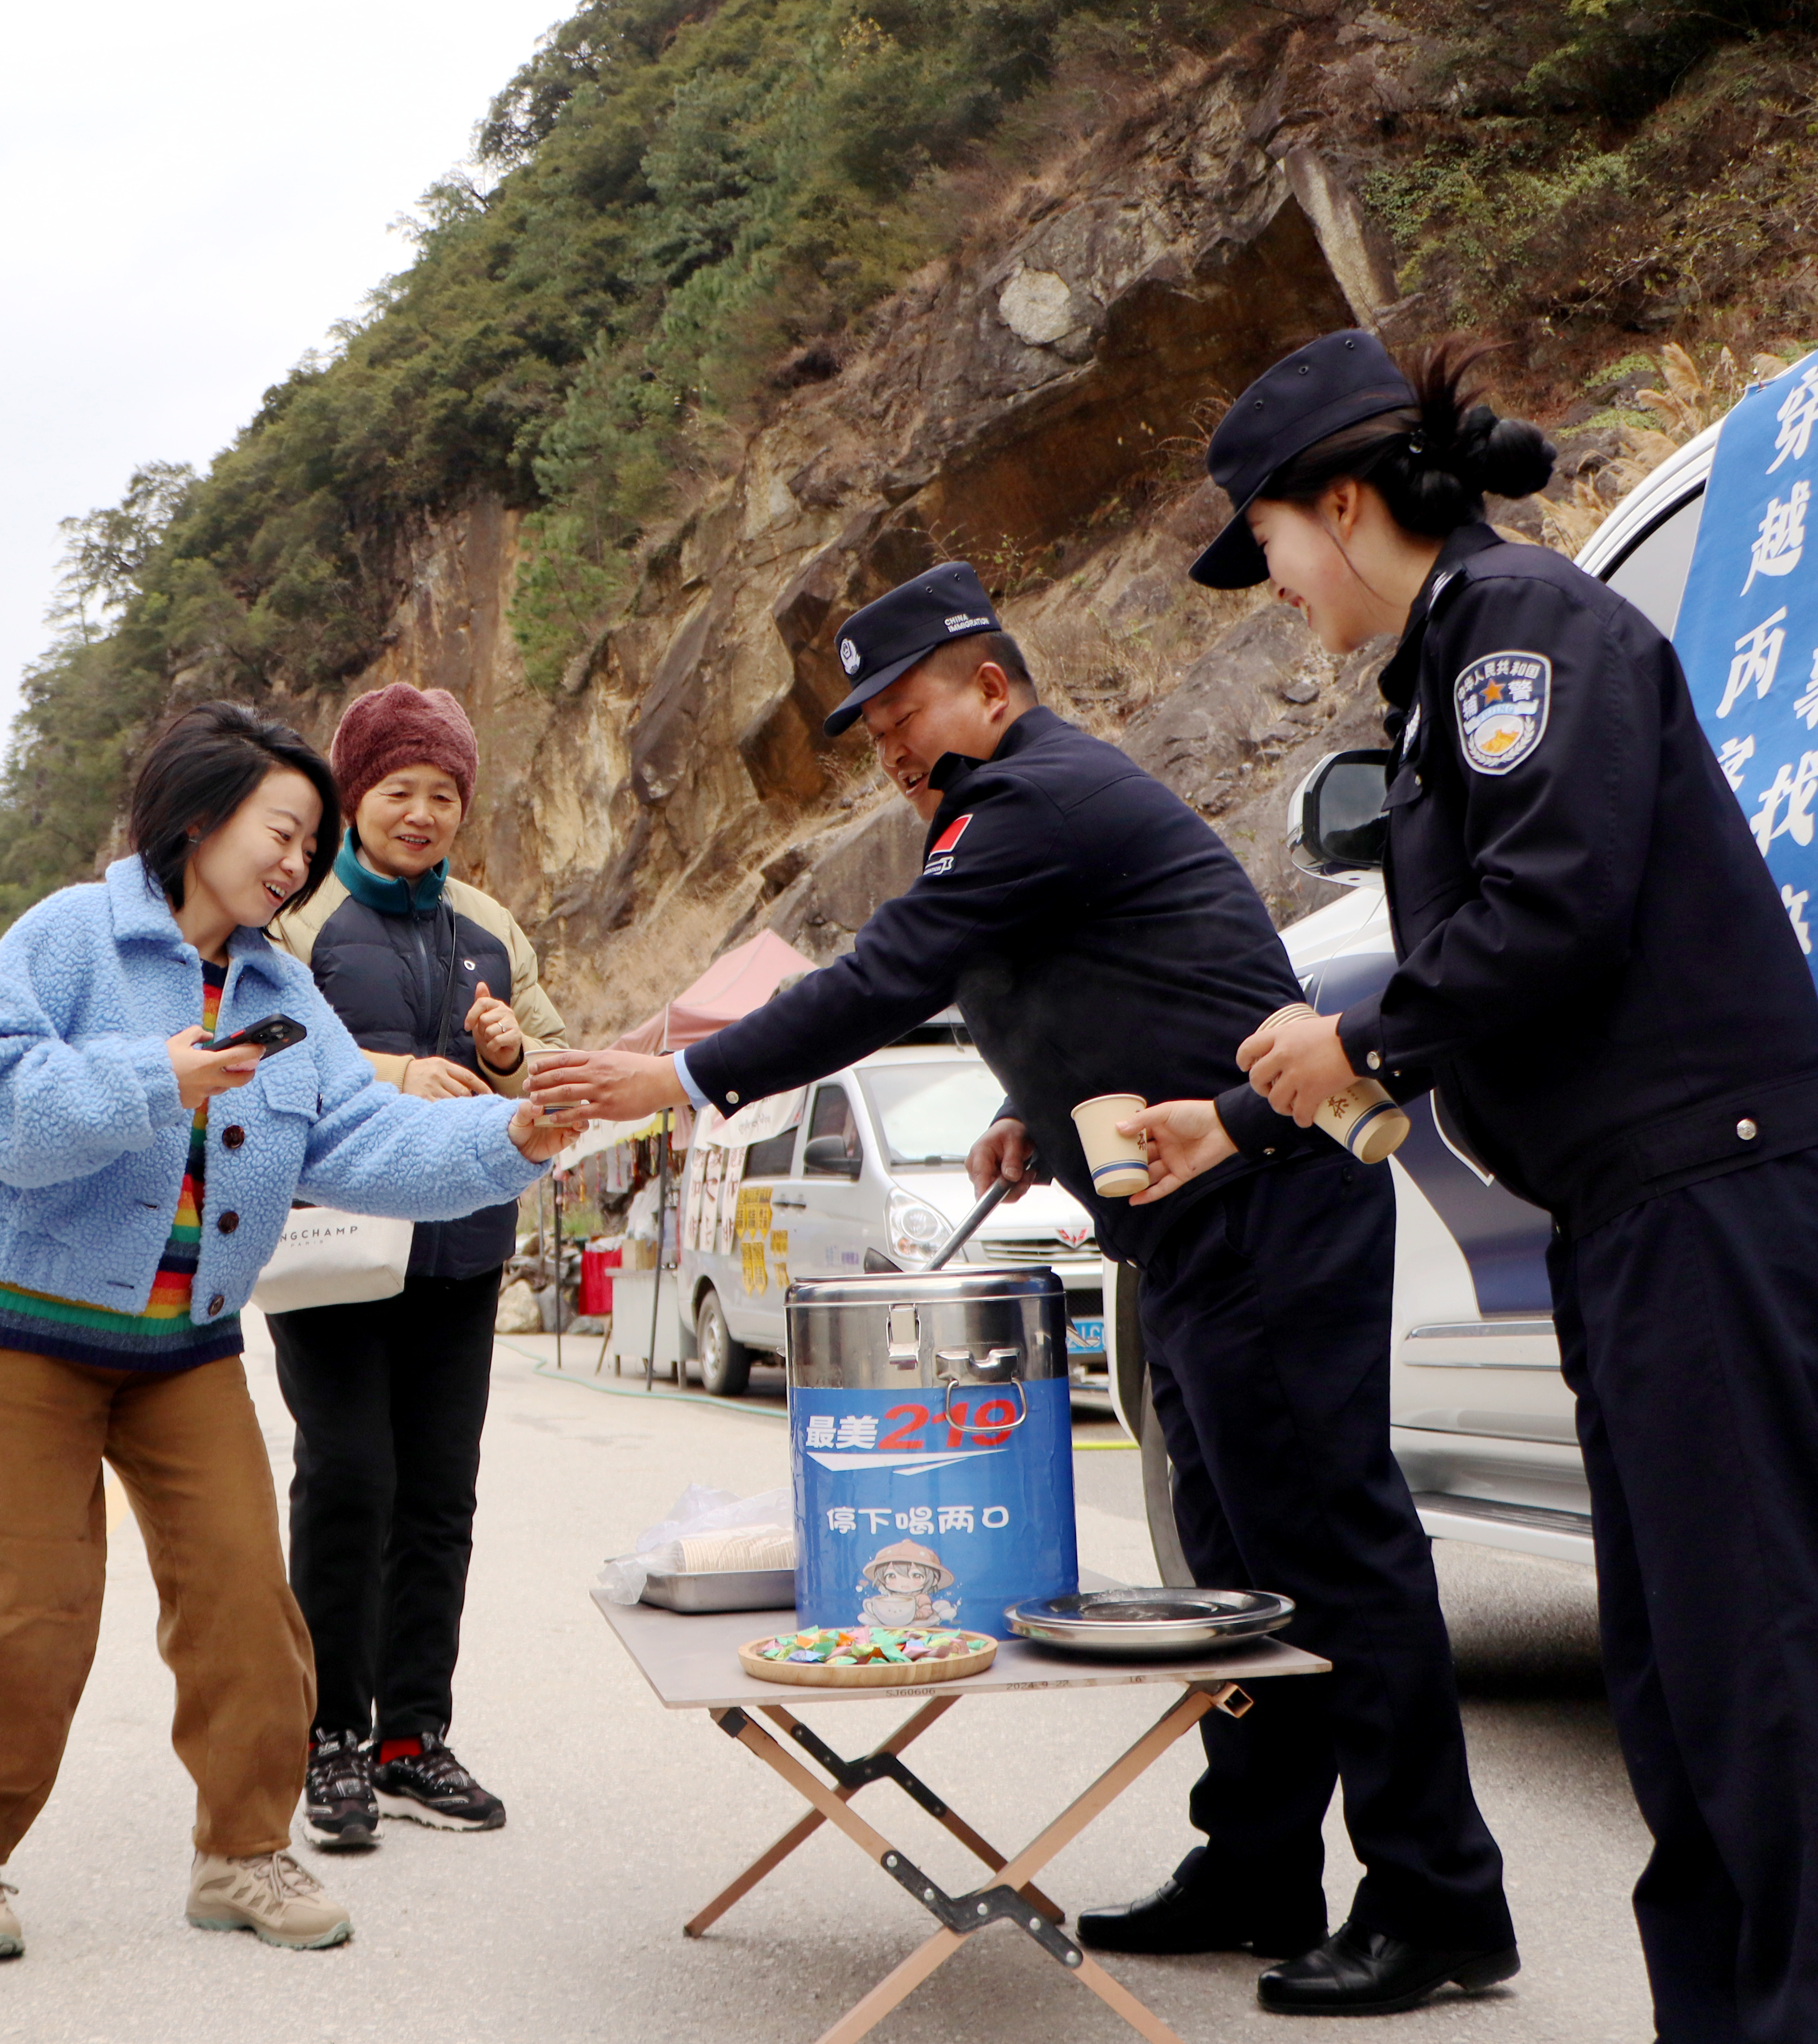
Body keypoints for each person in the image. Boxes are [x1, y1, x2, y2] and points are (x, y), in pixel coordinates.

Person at [531, 560, 1518, 2016]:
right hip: (1187, 1228)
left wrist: (675, 1071)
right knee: (1232, 1573)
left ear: (989, 686)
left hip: (1268, 1210)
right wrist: (1033, 1105)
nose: (885, 741)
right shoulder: (1001, 815)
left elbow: (879, 978)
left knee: (1337, 1555)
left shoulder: (1036, 799)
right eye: (865, 723)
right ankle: (1254, 1866)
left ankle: (1438, 1899)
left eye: (902, 707)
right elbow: (1091, 976)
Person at [1190, 329, 1818, 2042]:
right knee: (1680, 1671)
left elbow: (1549, 908)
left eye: (1274, 545)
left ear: (1341, 500)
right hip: (1646, 1203)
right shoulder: (1465, 657)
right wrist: (1255, 1108)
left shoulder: (1519, 631)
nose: (1276, 586)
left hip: (1711, 1184)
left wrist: (1362, 1045)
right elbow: (1504, 935)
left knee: (1753, 1644)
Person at [0, 703, 575, 1963]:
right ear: (198, 817)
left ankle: (241, 1853)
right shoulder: (70, 934)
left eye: (308, 842)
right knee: (28, 1612)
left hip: (186, 1345)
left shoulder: (281, 987)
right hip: (26, 1334)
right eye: (282, 829)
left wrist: (511, 1136)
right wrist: (159, 1075)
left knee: (245, 1605)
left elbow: (363, 1144)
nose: (294, 860)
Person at [263, 682, 570, 1847]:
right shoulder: (298, 922)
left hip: (460, 1250)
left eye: (443, 793)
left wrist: (509, 1053)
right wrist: (391, 1073)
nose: (422, 812)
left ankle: (411, 1737)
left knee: (437, 1494)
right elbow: (261, 1050)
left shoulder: (489, 924)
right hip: (332, 1253)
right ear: (354, 796)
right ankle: (326, 1736)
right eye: (399, 789)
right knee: (348, 1479)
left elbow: (553, 1064)